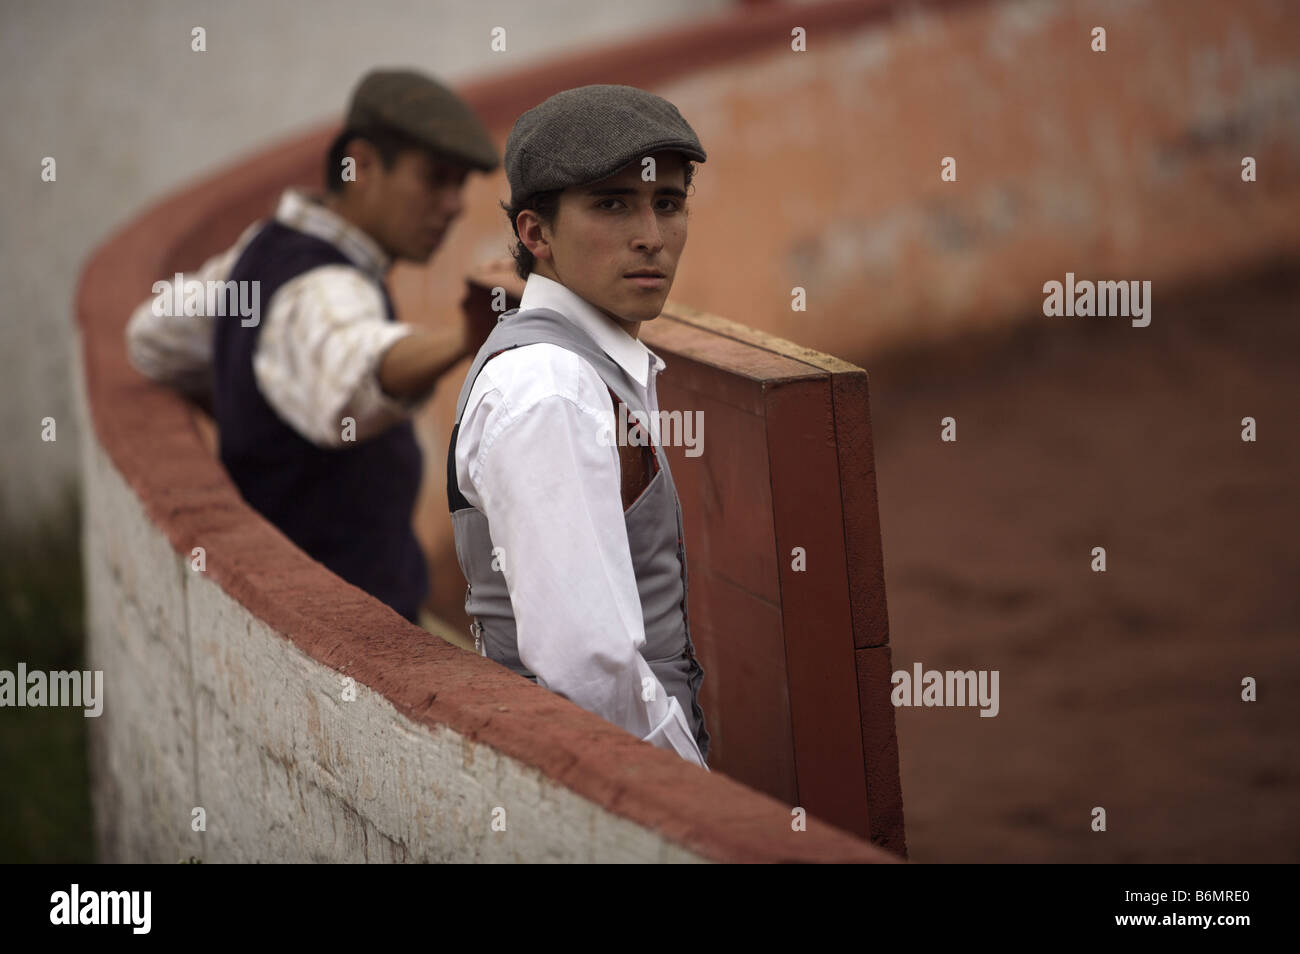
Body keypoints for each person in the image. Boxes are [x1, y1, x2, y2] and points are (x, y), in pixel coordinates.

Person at [125, 68, 498, 624]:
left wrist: (245, 399)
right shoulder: (323, 288)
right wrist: (468, 340)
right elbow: (353, 372)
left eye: (459, 183)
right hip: (348, 627)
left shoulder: (263, 248)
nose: (454, 204)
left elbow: (151, 337)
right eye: (435, 179)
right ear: (363, 166)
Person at [447, 85, 710, 767]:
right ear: (536, 233)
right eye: (612, 204)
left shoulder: (574, 364)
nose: (651, 235)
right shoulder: (551, 388)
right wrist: (693, 792)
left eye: (668, 204)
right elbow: (587, 666)